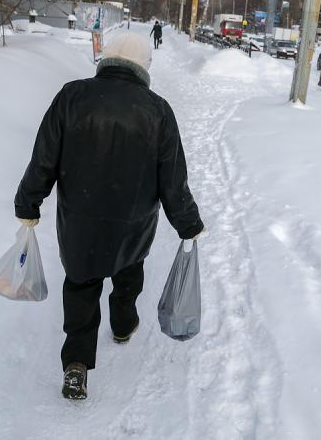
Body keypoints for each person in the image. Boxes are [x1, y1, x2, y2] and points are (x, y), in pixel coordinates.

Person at [14, 32, 204, 400]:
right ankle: (123, 324)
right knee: (128, 271)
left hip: (79, 219)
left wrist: (28, 203)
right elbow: (173, 180)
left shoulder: (71, 96)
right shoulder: (158, 110)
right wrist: (188, 222)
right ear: (143, 67)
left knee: (82, 284)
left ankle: (76, 364)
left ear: (107, 59)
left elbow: (44, 159)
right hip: (132, 221)